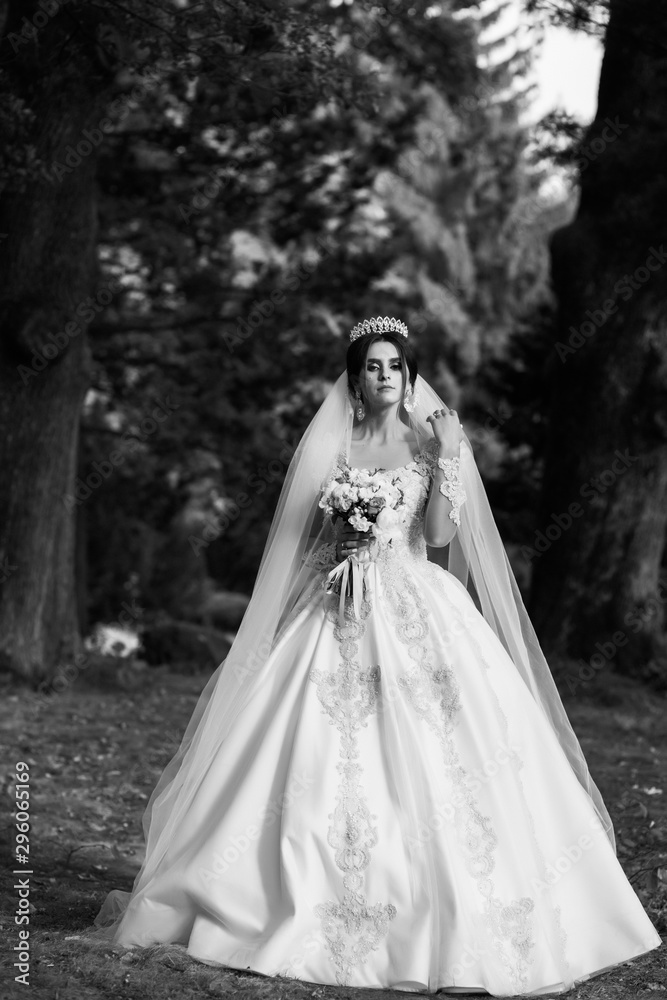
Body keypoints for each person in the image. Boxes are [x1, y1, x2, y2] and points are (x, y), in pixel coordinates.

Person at [92, 317, 661, 995]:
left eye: (394, 365)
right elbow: (306, 543)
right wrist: (350, 541)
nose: (384, 375)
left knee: (445, 748)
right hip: (337, 605)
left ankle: (454, 899)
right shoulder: (334, 448)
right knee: (306, 745)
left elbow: (441, 536)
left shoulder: (431, 442)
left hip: (417, 604)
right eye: (371, 366)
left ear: (409, 377)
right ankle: (266, 888)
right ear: (356, 381)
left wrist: (450, 454)